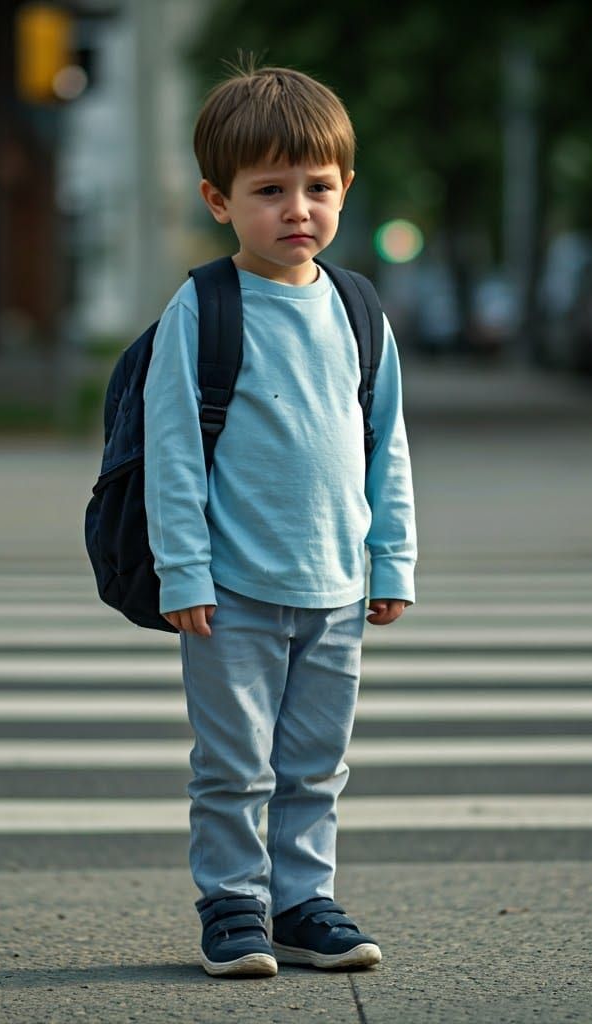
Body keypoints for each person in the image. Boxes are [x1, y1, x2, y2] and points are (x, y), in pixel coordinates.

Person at [144, 63, 417, 978]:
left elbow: (387, 445)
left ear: (344, 190)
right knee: (234, 766)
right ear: (220, 200)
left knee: (315, 764)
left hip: (336, 590)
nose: (297, 208)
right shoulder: (204, 308)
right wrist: (181, 573)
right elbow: (175, 452)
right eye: (269, 190)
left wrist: (392, 562)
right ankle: (232, 902)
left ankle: (303, 902)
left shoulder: (357, 308)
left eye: (318, 188)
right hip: (232, 591)